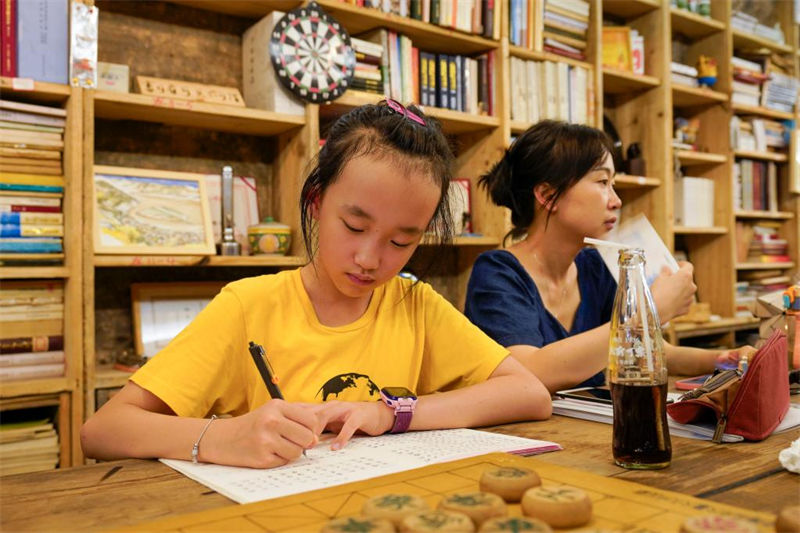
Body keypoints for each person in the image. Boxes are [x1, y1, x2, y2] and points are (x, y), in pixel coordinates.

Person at [81, 101, 552, 469]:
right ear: (315, 202)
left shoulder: (414, 305)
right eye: (353, 226)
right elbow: (103, 431)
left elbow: (529, 394)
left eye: (402, 240)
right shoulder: (250, 306)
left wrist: (393, 414)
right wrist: (223, 437)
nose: (370, 259)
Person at [464, 120, 746, 394]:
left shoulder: (595, 268)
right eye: (602, 182)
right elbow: (528, 372)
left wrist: (725, 359)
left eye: (613, 184)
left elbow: (644, 348)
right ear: (548, 196)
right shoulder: (497, 272)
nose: (616, 200)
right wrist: (652, 310)